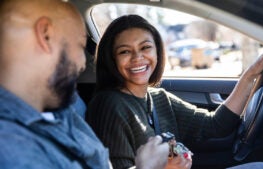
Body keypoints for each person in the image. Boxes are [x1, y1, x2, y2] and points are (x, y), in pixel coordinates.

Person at [85, 14, 263, 169]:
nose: (138, 57)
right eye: (125, 51)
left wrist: (249, 77)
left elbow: (215, 125)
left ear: (157, 52)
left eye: (145, 47)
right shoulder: (109, 105)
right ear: (111, 59)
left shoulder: (159, 98)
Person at [0, 1, 169, 169]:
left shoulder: (62, 109)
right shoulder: (11, 148)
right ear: (46, 36)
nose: (83, 64)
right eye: (81, 46)